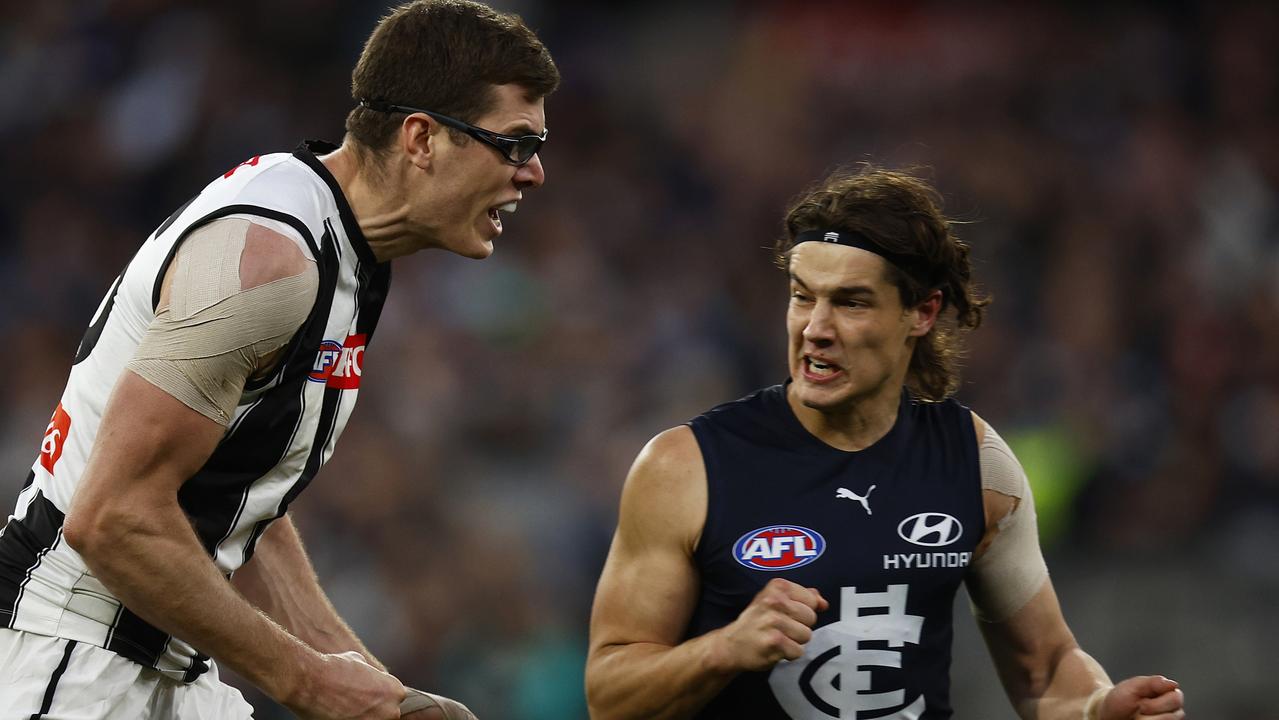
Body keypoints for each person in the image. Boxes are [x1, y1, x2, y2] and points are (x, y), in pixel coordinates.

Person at [0, 1, 557, 718]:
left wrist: (379, 693)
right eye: (513, 143)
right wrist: (309, 681)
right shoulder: (272, 260)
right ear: (421, 138)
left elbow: (235, 491)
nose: (534, 173)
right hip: (72, 666)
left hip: (164, 672)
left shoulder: (341, 242)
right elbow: (113, 517)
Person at [585, 168, 1186, 720]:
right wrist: (723, 649)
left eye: (850, 302)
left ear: (922, 312)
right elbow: (609, 697)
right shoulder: (686, 466)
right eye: (802, 295)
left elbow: (1046, 670)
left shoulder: (975, 463)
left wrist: (1100, 708)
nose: (815, 329)